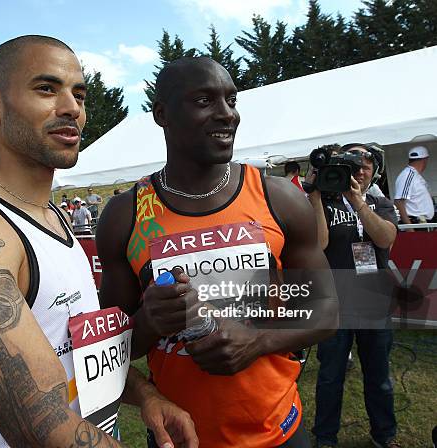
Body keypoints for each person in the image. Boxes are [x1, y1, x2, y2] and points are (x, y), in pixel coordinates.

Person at [0, 35, 197, 448]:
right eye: (46, 89)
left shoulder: (51, 216)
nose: (71, 108)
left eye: (79, 93)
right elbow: (45, 427)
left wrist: (146, 395)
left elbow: (75, 350)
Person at [97, 56, 337, 447]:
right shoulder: (126, 214)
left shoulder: (279, 198)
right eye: (204, 101)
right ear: (162, 115)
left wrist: (259, 341)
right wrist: (149, 321)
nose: (228, 115)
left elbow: (328, 311)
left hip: (278, 431)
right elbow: (110, 351)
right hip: (181, 436)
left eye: (232, 100)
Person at [307, 143, 399, 448]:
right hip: (336, 299)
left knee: (379, 374)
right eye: (352, 164)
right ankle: (325, 437)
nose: (359, 171)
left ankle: (383, 435)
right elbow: (318, 244)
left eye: (366, 166)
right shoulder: (327, 201)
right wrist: (316, 195)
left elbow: (385, 238)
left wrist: (358, 201)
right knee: (331, 374)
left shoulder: (378, 203)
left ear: (375, 171)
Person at [394, 146, 434, 226]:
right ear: (424, 159)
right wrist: (410, 228)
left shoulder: (414, 175)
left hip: (423, 223)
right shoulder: (408, 175)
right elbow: (399, 201)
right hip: (416, 223)